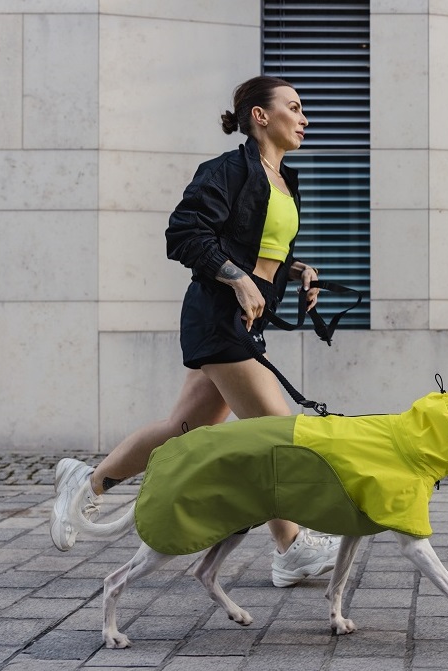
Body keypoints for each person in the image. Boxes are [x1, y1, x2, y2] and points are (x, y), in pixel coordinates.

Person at [49, 75, 339, 588]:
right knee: (275, 432)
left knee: (184, 428)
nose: (305, 118)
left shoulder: (283, 179)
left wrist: (297, 272)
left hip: (246, 321)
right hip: (217, 318)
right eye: (294, 108)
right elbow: (185, 233)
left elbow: (261, 245)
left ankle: (86, 481)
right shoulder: (226, 170)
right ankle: (290, 545)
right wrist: (238, 279)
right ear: (260, 116)